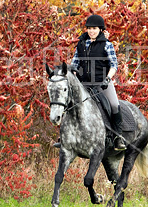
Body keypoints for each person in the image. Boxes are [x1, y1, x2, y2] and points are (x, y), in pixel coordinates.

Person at [54, 14, 128, 150]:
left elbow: (114, 66)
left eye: (94, 28)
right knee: (68, 101)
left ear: (100, 29)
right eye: (89, 28)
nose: (91, 31)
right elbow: (75, 63)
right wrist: (73, 74)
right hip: (84, 83)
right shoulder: (81, 44)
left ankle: (118, 137)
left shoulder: (107, 45)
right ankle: (63, 136)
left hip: (102, 82)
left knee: (114, 105)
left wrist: (108, 78)